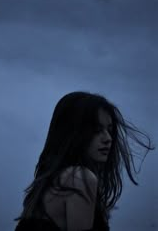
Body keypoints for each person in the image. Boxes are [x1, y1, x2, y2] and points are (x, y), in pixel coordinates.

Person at [14, 91, 154, 231]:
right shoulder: (79, 178)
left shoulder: (53, 182)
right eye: (96, 130)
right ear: (73, 133)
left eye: (109, 130)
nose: (108, 138)